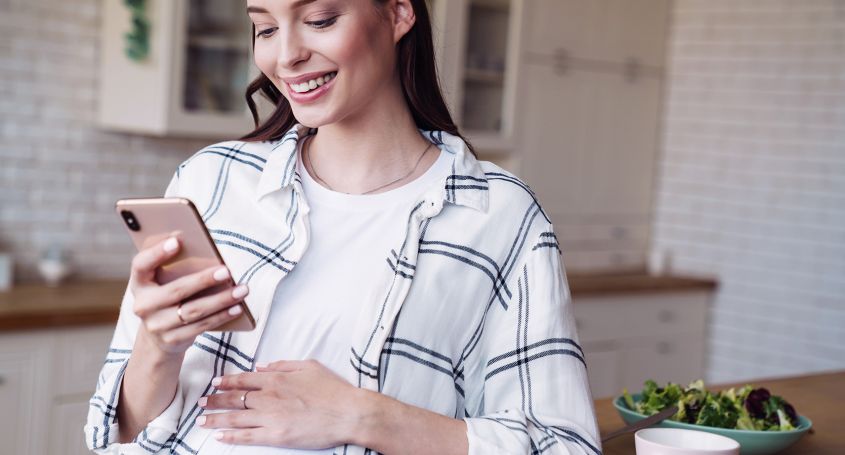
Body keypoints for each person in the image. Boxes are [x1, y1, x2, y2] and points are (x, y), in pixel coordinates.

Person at [85, 0, 600, 453]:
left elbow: (563, 444)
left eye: (319, 19)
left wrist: (362, 416)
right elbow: (116, 433)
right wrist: (159, 348)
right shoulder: (211, 180)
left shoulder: (500, 216)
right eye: (265, 28)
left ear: (398, 12)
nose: (285, 56)